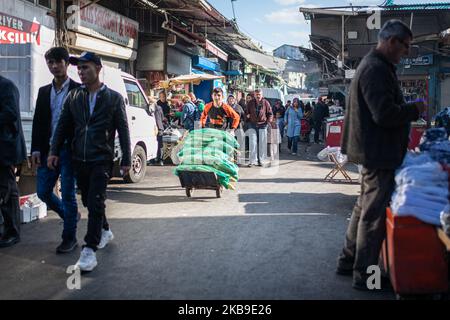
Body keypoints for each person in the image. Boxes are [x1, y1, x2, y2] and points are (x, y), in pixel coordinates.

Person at [336, 20, 425, 291]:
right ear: (392, 42)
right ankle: (366, 276)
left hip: (373, 150)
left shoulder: (376, 65)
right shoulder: (376, 69)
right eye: (405, 46)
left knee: (364, 208)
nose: (406, 52)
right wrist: (414, 109)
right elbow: (384, 114)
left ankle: (348, 262)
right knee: (372, 216)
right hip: (378, 152)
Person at [48, 51, 131, 272]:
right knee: (87, 200)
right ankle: (104, 230)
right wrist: (53, 151)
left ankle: (89, 250)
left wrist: (126, 159)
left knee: (95, 201)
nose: (81, 72)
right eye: (79, 68)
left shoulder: (113, 98)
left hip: (101, 159)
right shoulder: (74, 97)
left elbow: (123, 130)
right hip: (79, 159)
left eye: (86, 67)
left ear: (98, 69)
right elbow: (63, 126)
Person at [30, 47, 81, 254]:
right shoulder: (43, 92)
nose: (54, 66)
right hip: (47, 150)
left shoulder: (78, 90)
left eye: (58, 62)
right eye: (50, 62)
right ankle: (70, 215)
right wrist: (35, 149)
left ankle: (69, 237)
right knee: (43, 191)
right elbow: (38, 122)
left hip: (69, 152)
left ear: (66, 63)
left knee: (68, 195)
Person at [0, 76, 27, 248]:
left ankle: (12, 232)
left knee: (7, 191)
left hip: (5, 148)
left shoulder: (6, 86)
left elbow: (10, 114)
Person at [245, 89, 273, 167]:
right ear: (254, 95)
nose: (258, 96)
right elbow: (246, 111)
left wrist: (267, 122)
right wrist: (247, 116)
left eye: (259, 94)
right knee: (252, 143)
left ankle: (261, 160)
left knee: (261, 143)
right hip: (252, 124)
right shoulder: (250, 103)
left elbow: (270, 114)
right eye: (256, 94)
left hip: (262, 125)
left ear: (262, 95)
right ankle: (253, 161)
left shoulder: (266, 103)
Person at [151, 96, 164, 166]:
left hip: (153, 128)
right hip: (160, 127)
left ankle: (153, 160)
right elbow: (162, 118)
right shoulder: (159, 107)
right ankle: (160, 160)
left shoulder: (150, 108)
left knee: (153, 144)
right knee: (160, 145)